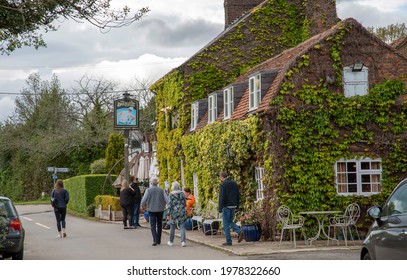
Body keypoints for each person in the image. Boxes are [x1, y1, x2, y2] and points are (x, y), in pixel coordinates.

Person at [218, 172, 244, 246]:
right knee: (229, 221)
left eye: (220, 178)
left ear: (222, 177)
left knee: (226, 224)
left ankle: (229, 241)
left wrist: (220, 208)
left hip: (226, 206)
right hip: (233, 205)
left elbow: (222, 197)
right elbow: (237, 195)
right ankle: (239, 231)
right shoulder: (234, 183)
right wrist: (237, 205)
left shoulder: (223, 185)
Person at [141, 178, 167, 246]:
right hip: (160, 209)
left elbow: (144, 200)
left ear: (151, 183)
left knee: (152, 225)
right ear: (157, 183)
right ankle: (158, 240)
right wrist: (165, 205)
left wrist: (142, 206)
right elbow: (166, 199)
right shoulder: (162, 190)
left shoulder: (148, 190)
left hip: (151, 209)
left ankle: (155, 239)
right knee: (159, 225)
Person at [166, 181, 187, 247]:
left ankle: (171, 241)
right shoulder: (182, 193)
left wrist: (168, 214)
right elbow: (184, 203)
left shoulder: (171, 195)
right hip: (181, 211)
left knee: (172, 227)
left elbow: (169, 205)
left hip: (174, 212)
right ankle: (183, 242)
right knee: (182, 227)